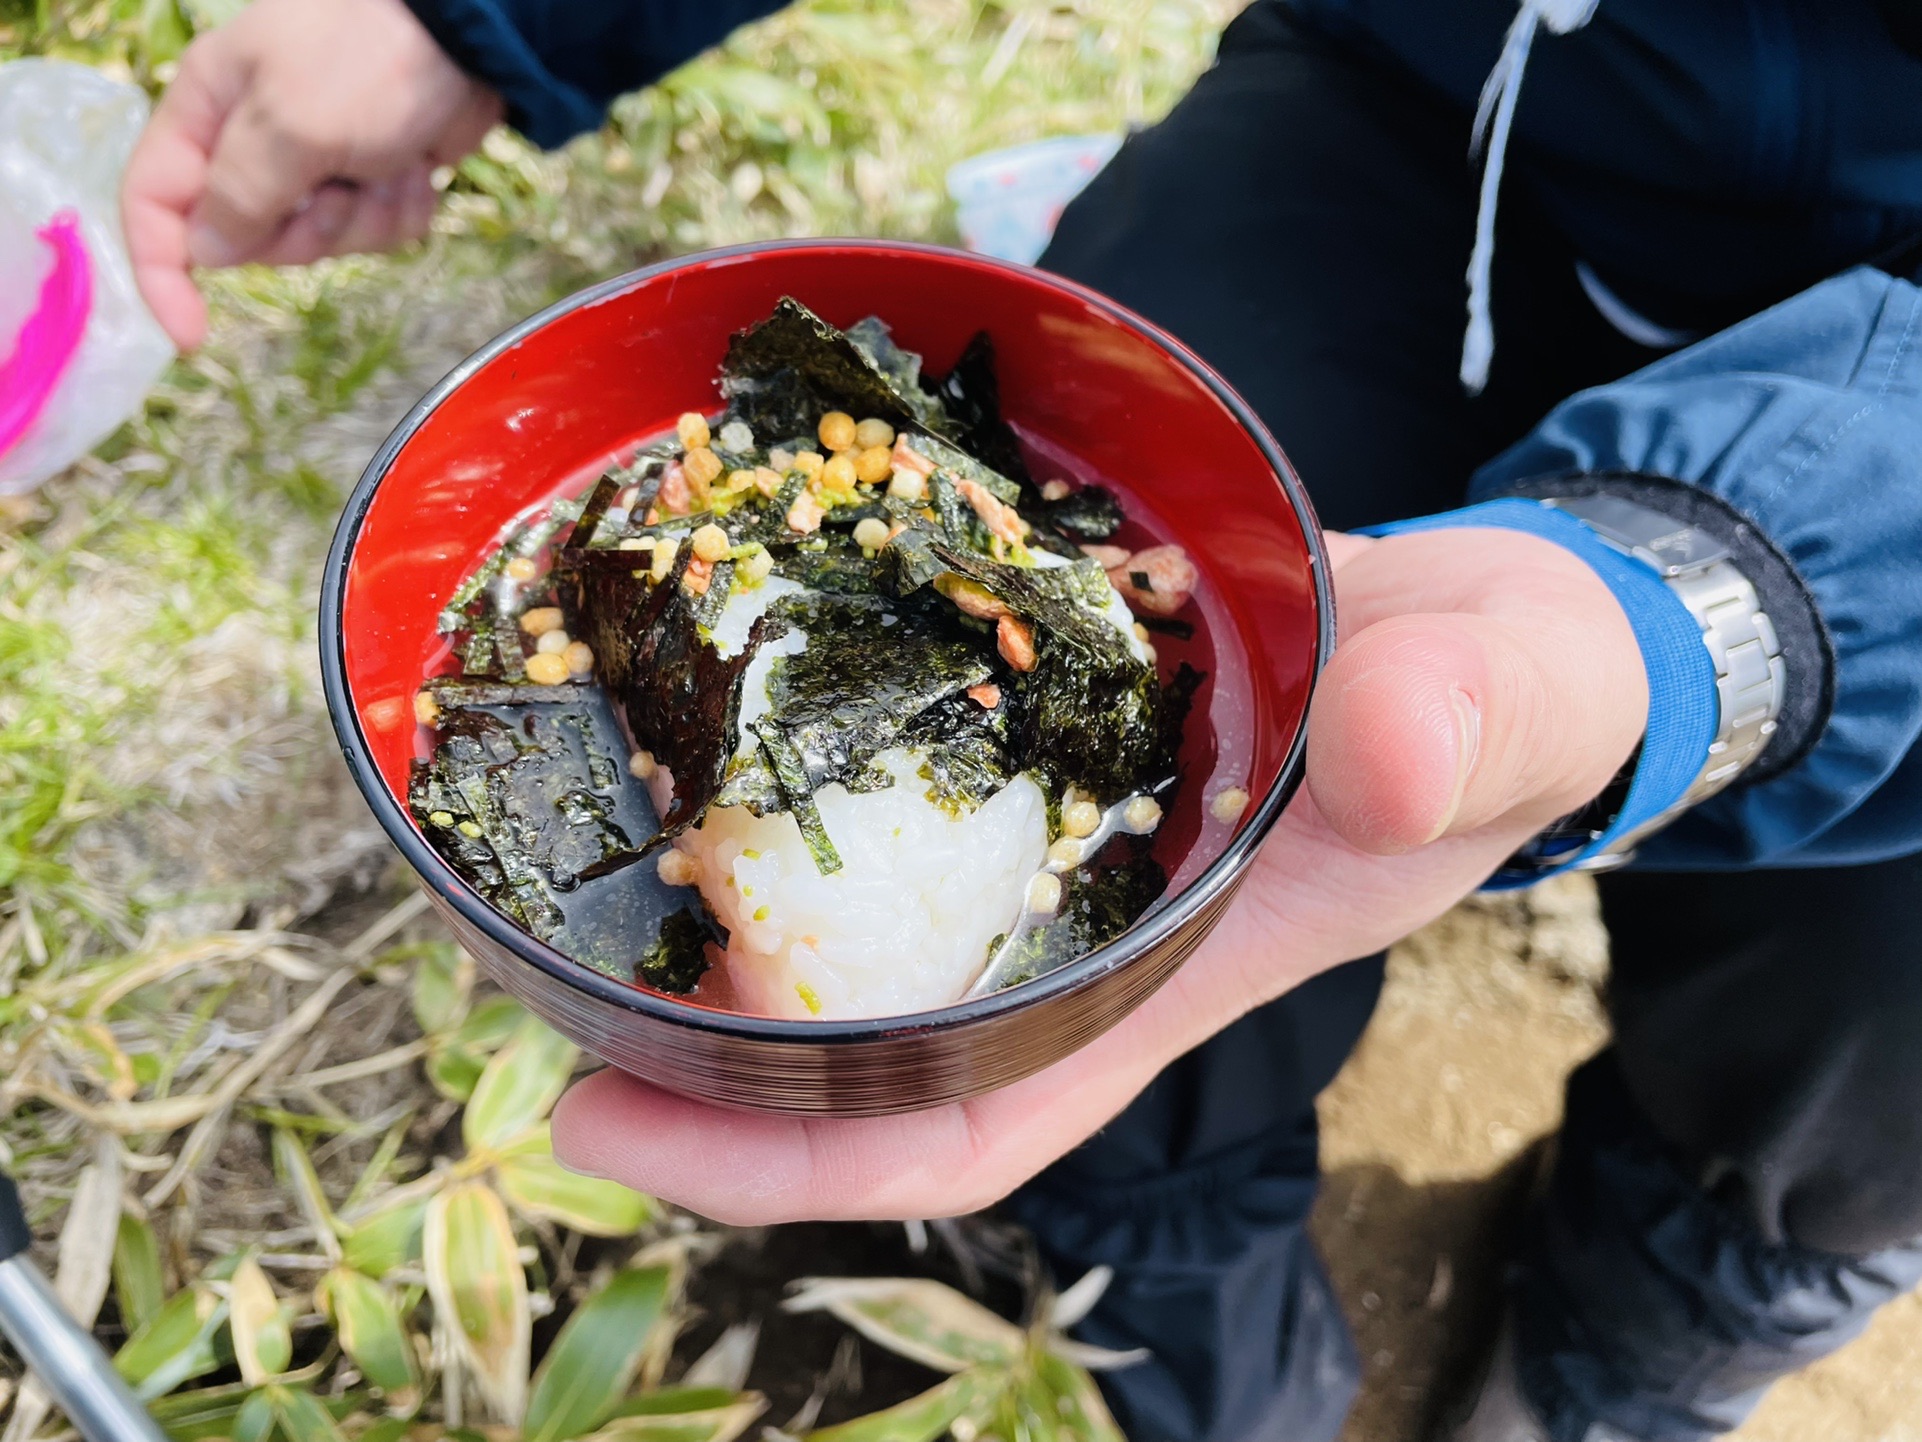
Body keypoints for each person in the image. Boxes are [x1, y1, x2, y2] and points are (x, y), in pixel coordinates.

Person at [119, 1, 1922, 1438]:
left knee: (1869, 1032)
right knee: (1121, 999)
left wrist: (1736, 587)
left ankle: (1659, 1334)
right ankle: (1175, 1294)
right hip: (1416, 94)